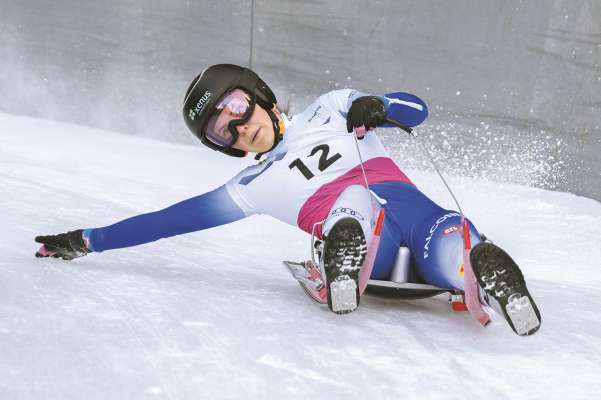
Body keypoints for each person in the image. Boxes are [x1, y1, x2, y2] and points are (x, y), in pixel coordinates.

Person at [34, 64, 541, 335]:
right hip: (369, 233)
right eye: (222, 131)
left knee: (444, 235)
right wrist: (88, 240)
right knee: (360, 206)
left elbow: (416, 111)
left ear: (258, 93)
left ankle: (486, 273)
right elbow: (170, 220)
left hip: (408, 217)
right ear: (222, 147)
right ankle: (354, 246)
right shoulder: (250, 187)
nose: (239, 127)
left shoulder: (332, 108)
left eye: (236, 106)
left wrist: (377, 107)